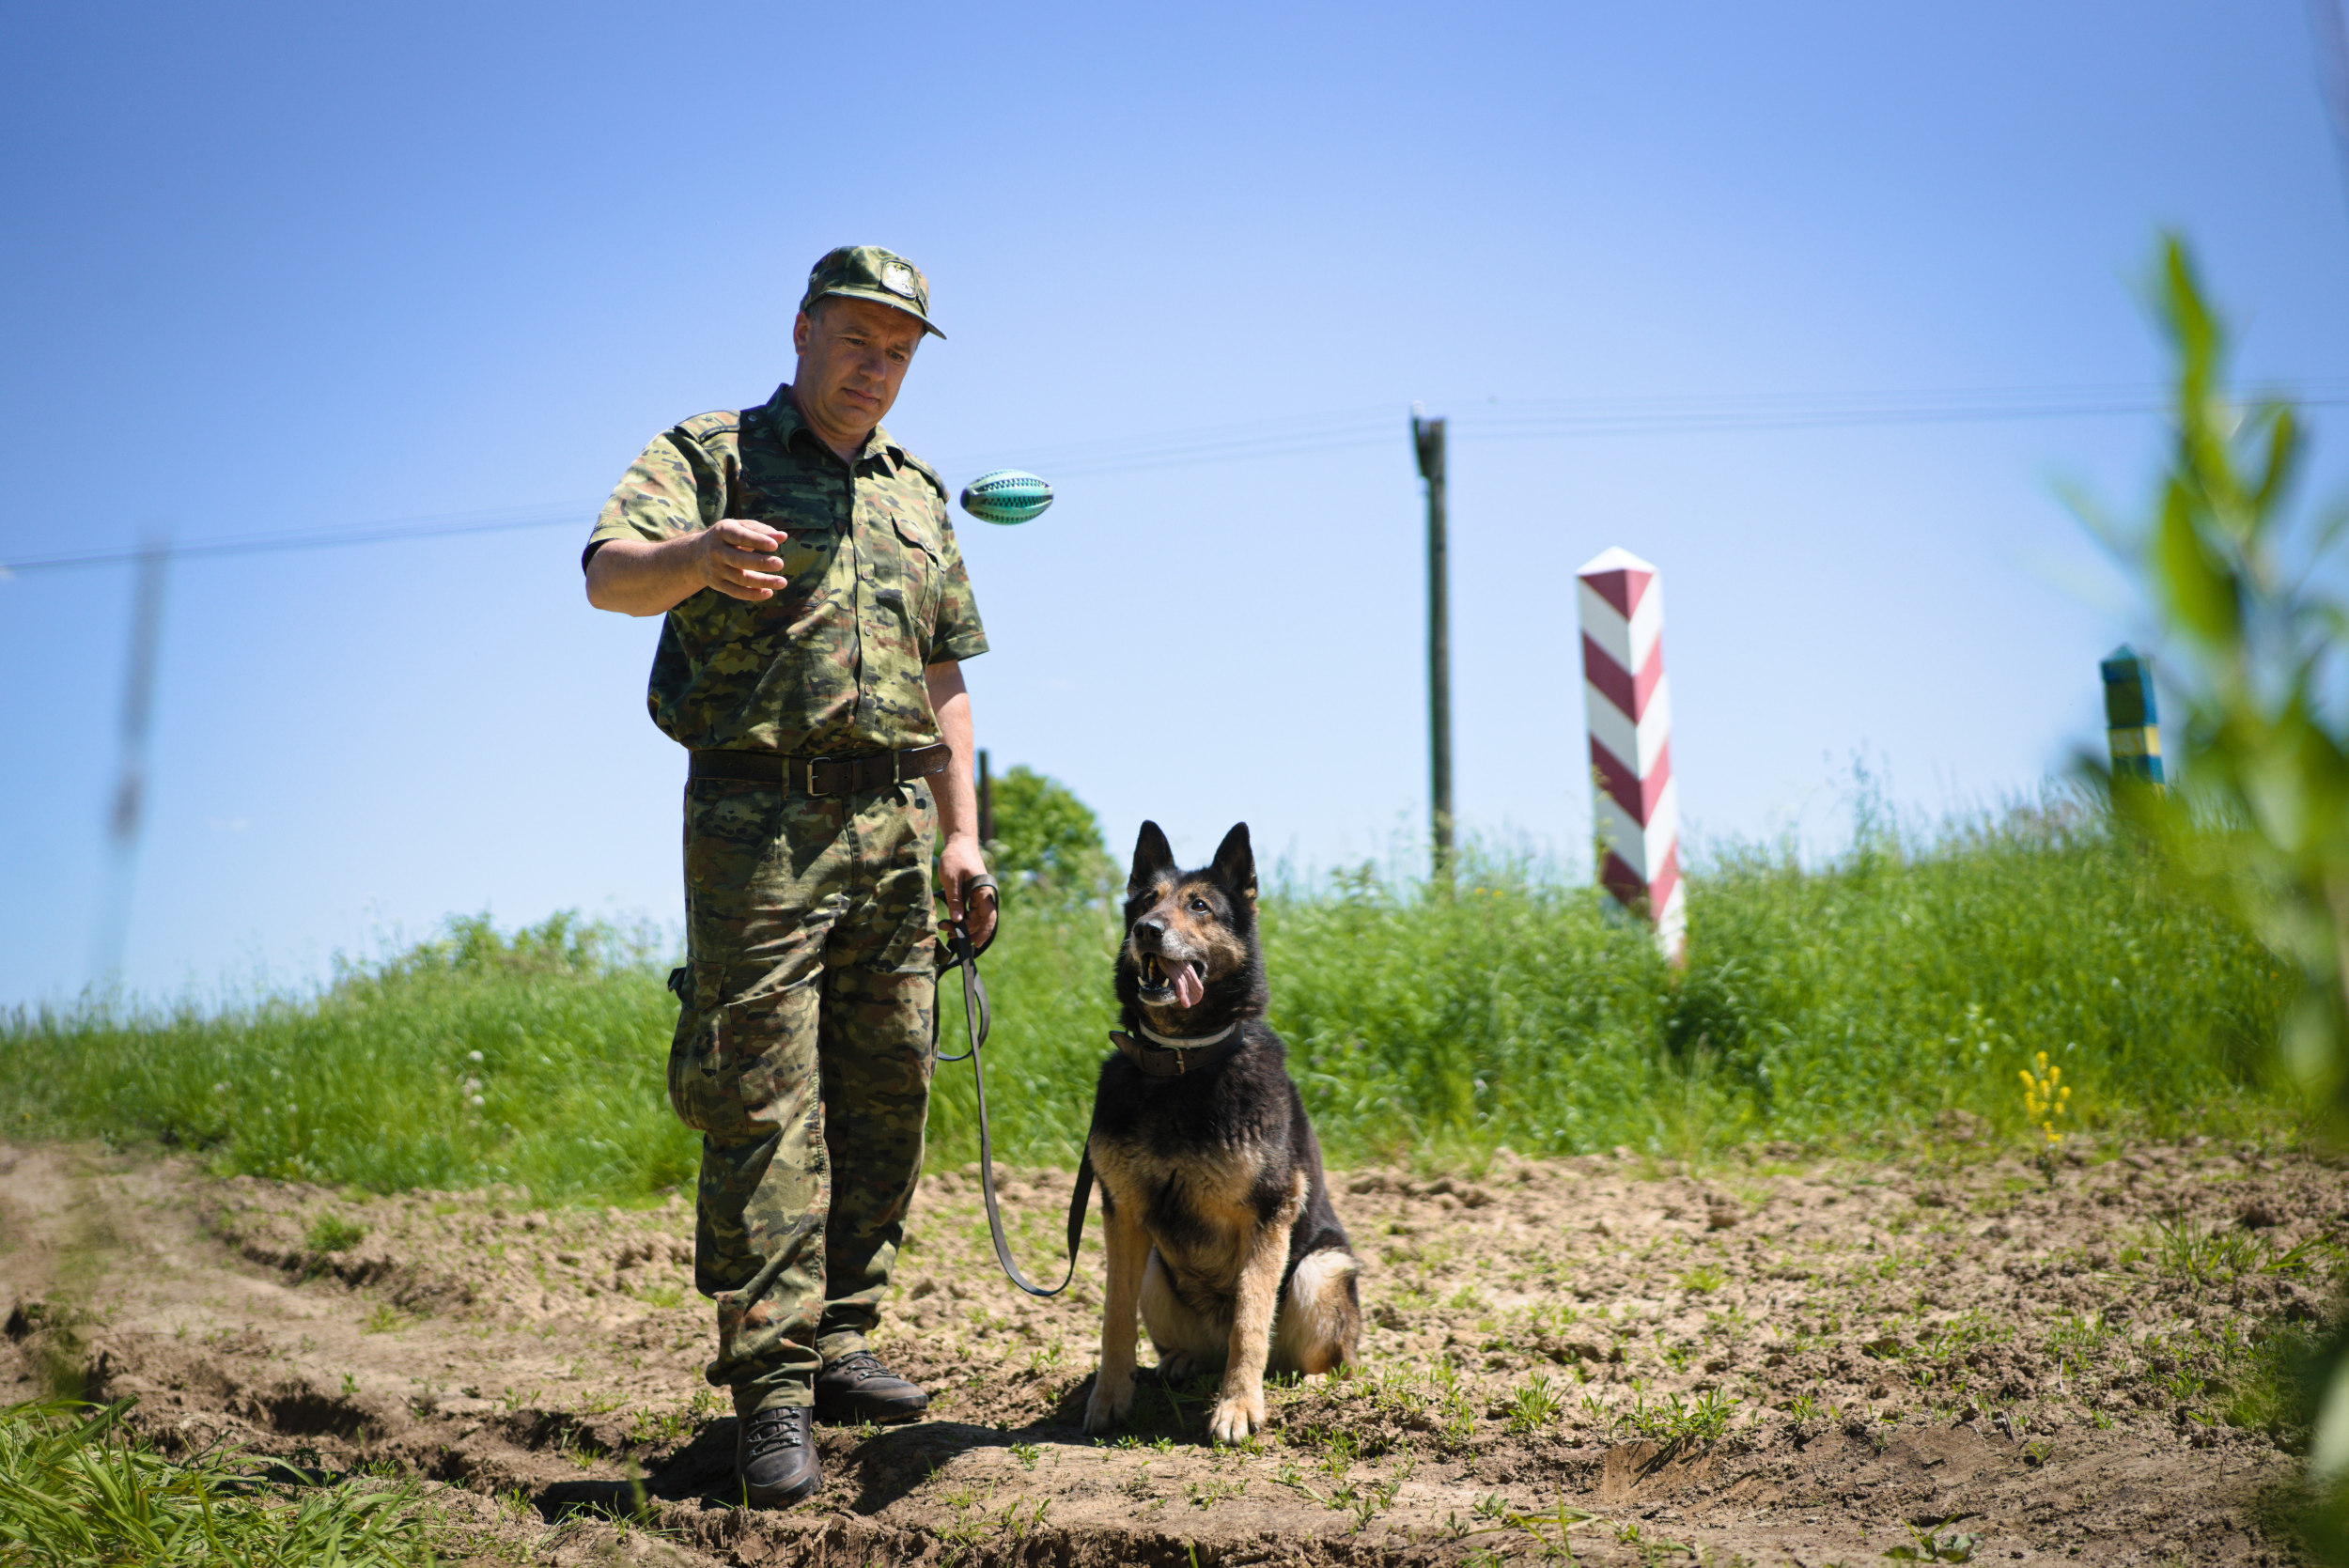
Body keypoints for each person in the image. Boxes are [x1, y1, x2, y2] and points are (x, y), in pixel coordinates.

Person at [581, 245, 995, 1508]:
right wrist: (698, 554)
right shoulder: (713, 455)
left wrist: (964, 832)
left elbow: (945, 683)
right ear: (805, 329)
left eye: (899, 351)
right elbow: (606, 576)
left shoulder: (918, 496)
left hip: (892, 830)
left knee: (887, 1089)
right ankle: (768, 1388)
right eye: (858, 340)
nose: (876, 368)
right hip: (757, 824)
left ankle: (840, 1337)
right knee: (765, 1103)